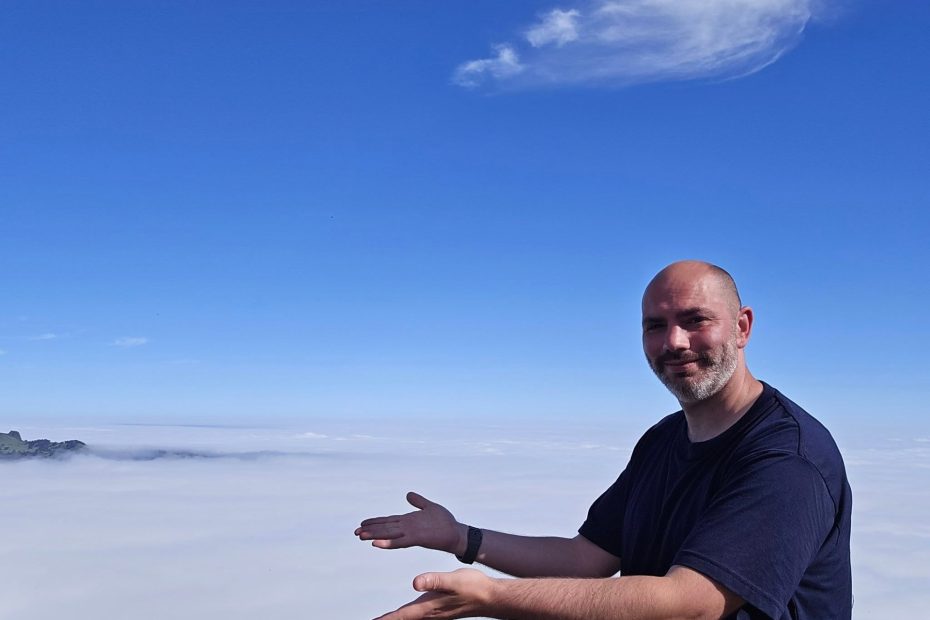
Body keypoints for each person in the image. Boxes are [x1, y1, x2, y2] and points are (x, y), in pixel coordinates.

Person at [355, 260, 852, 620]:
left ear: (742, 327)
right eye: (655, 326)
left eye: (695, 320)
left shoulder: (788, 458)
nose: (673, 342)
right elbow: (586, 558)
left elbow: (691, 604)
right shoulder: (663, 440)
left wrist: (489, 598)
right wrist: (463, 538)